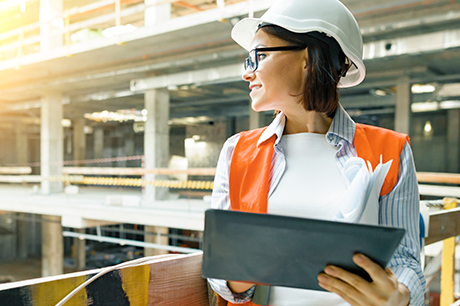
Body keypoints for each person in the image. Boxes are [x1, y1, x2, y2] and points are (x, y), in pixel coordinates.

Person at [208, 0, 426, 305]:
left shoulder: (391, 151)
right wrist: (239, 269)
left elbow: (407, 262)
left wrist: (400, 297)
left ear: (308, 59)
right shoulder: (237, 151)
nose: (248, 73)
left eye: (259, 56)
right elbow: (220, 275)